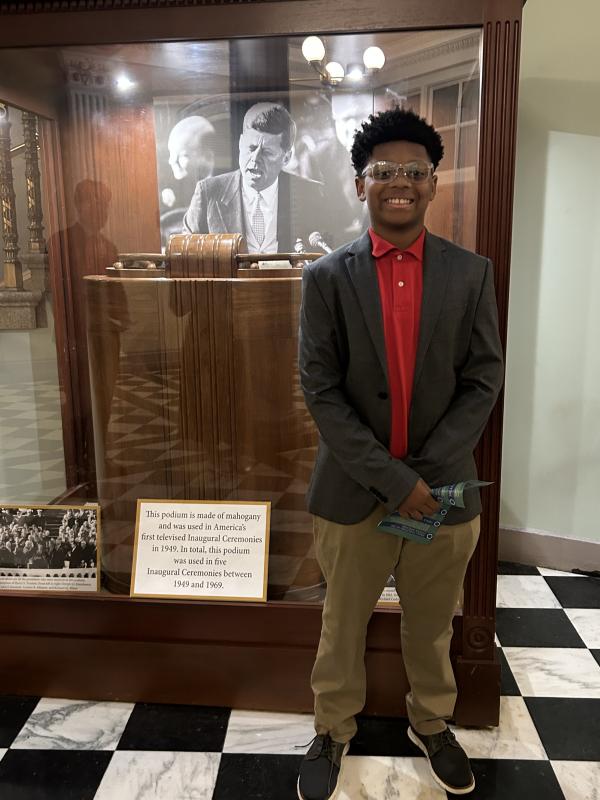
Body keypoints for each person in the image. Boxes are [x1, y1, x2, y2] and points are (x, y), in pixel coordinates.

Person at [297, 108, 504, 800]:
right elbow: (321, 391)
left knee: (433, 623)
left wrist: (426, 475)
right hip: (352, 493)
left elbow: (483, 379)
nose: (400, 183)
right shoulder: (327, 278)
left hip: (442, 495)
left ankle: (432, 722)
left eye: (415, 171)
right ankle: (333, 728)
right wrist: (393, 480)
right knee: (341, 624)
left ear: (433, 184)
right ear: (361, 185)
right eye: (384, 171)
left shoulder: (471, 274)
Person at [183, 101, 325, 253]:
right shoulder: (208, 193)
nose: (255, 159)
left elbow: (328, 256)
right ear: (240, 143)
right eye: (251, 148)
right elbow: (185, 254)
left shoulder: (312, 194)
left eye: (267, 152)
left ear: (286, 158)